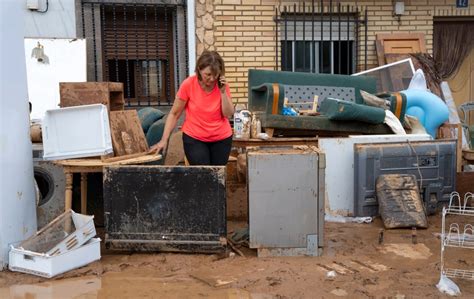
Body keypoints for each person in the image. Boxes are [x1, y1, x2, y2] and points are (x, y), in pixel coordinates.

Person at [149, 50, 234, 165]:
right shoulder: (188, 84)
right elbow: (174, 114)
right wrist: (164, 140)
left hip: (221, 138)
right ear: (199, 69)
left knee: (217, 176)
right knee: (202, 175)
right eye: (208, 75)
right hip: (195, 138)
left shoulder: (222, 85)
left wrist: (223, 92)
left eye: (216, 74)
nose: (212, 79)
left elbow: (228, 114)